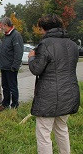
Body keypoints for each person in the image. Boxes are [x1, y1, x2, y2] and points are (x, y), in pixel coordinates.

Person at [28, 14, 80, 154]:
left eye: (40, 29)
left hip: (48, 97)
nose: (40, 32)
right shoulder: (73, 44)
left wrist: (32, 58)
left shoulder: (45, 44)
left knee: (44, 134)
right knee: (62, 129)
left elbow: (36, 69)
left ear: (44, 29)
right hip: (69, 94)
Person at [0, 17, 23, 112]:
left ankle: (15, 105)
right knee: (5, 87)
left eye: (2, 26)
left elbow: (18, 52)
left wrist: (15, 66)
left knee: (13, 87)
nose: (1, 27)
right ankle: (5, 104)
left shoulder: (16, 35)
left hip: (11, 67)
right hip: (4, 66)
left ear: (6, 25)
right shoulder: (6, 36)